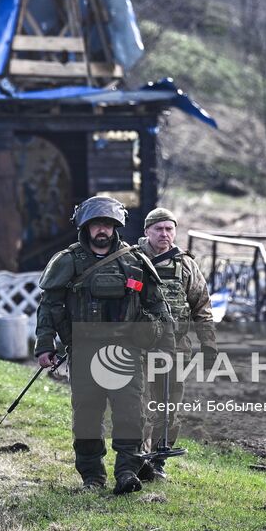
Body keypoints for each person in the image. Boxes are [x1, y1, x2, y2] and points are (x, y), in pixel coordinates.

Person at [34, 196, 171, 494]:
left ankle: (127, 472)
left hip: (127, 351)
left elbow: (158, 306)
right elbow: (49, 306)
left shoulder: (134, 261)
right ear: (85, 226)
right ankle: (92, 477)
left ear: (115, 227)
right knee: (87, 415)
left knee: (130, 413)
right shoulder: (68, 261)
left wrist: (165, 341)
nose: (102, 231)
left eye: (108, 225)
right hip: (84, 351)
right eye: (97, 224)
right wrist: (45, 344)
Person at [137, 206, 216, 482]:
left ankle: (159, 461)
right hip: (139, 350)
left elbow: (201, 306)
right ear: (146, 231)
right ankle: (137, 460)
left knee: (168, 407)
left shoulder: (185, 265)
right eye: (158, 228)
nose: (164, 234)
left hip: (176, 349)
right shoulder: (132, 260)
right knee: (140, 407)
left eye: (169, 229)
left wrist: (209, 344)